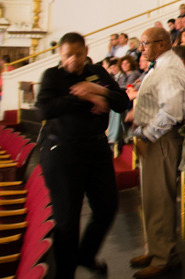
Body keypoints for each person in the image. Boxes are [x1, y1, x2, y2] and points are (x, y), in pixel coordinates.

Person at [37, 32, 129, 279]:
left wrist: (99, 90)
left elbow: (122, 102)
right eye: (68, 55)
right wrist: (86, 96)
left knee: (107, 207)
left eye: (78, 54)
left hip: (96, 149)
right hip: (62, 152)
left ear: (86, 51)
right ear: (60, 54)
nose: (74, 60)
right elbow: (44, 108)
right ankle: (65, 273)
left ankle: (85, 256)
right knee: (67, 220)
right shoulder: (53, 76)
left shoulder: (98, 72)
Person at [130, 27, 185, 278]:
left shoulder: (166, 69)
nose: (141, 48)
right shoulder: (161, 66)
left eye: (145, 44)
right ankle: (155, 249)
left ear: (162, 45)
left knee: (160, 199)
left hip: (161, 140)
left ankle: (164, 256)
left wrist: (147, 135)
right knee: (152, 199)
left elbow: (172, 110)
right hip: (155, 138)